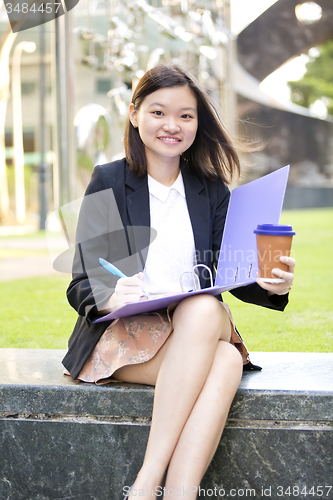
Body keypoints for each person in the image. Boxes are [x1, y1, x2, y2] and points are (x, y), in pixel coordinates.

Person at [62, 64, 295, 499]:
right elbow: (81, 283)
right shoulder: (109, 181)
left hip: (194, 329)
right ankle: (162, 486)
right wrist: (111, 296)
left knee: (204, 309)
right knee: (224, 359)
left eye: (186, 116)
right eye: (158, 112)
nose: (172, 125)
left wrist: (272, 285)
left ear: (197, 123)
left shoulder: (210, 188)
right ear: (134, 115)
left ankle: (161, 488)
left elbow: (235, 275)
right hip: (125, 334)